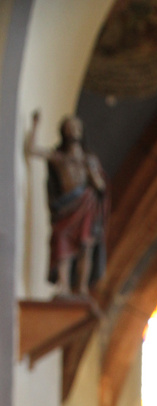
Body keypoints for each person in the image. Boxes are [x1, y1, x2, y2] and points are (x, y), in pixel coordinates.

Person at [25, 111, 109, 298]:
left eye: (76, 127)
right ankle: (63, 286)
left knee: (84, 246)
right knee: (63, 243)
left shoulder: (89, 159)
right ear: (63, 132)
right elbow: (32, 150)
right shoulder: (59, 157)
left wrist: (91, 172)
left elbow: (101, 187)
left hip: (86, 204)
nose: (73, 131)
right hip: (65, 207)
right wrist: (35, 125)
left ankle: (81, 288)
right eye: (69, 127)